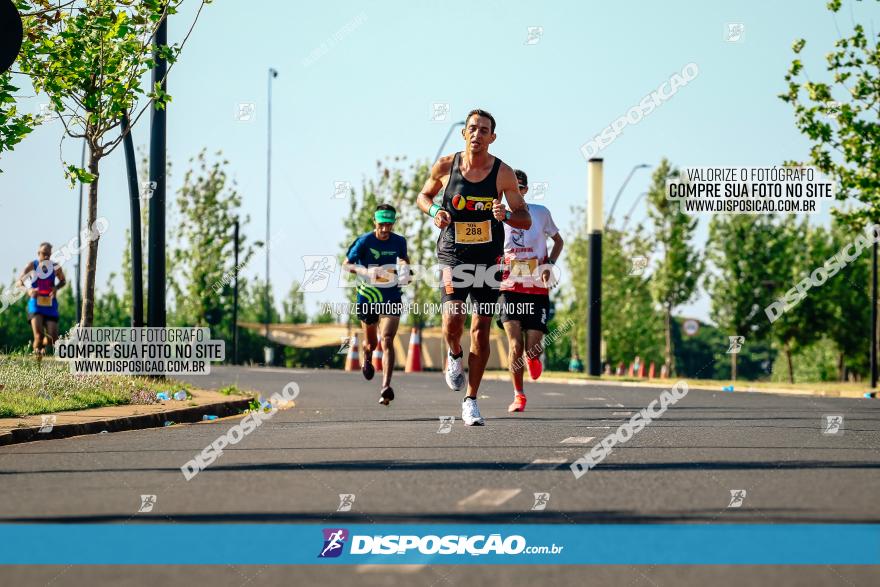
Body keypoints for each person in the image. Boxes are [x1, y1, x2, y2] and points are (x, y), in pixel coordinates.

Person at [416, 108, 531, 426]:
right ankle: (454, 354)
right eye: (472, 128)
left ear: (492, 138)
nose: (477, 134)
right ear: (463, 134)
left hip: (488, 258)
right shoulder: (445, 165)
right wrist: (435, 211)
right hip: (452, 253)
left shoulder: (503, 173)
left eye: (484, 130)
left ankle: (471, 400)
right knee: (453, 320)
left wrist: (504, 215)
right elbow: (423, 196)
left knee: (480, 330)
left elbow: (524, 217)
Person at [494, 169, 564, 412]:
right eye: (513, 189)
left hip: (536, 289)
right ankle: (518, 395)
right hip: (508, 288)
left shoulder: (541, 213)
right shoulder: (497, 216)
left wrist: (548, 265)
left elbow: (559, 241)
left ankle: (534, 358)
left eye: (521, 188)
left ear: (525, 189)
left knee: (532, 347)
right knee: (516, 345)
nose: (518, 193)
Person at [343, 204, 410, 405]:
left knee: (387, 339)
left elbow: (404, 259)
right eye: (381, 225)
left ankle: (385, 386)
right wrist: (366, 272)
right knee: (371, 343)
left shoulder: (399, 241)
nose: (385, 229)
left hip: (391, 294)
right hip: (368, 296)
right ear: (375, 222)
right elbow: (346, 264)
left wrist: (406, 270)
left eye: (389, 225)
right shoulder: (364, 241)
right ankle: (367, 355)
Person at [18, 242, 66, 359]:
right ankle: (37, 362)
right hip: (36, 303)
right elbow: (19, 282)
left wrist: (56, 288)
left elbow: (63, 281)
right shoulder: (31, 266)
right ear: (38, 253)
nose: (46, 257)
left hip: (50, 304)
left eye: (48, 255)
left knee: (53, 338)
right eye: (44, 254)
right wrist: (28, 290)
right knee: (38, 337)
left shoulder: (55, 267)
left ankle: (46, 344)